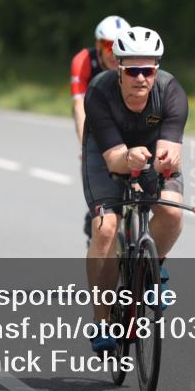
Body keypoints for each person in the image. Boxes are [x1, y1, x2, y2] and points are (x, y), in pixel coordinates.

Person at [82, 26, 188, 353]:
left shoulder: (171, 92)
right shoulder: (99, 92)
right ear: (119, 69)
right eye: (133, 71)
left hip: (153, 154)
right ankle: (102, 321)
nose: (141, 78)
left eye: (148, 70)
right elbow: (114, 159)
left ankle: (153, 267)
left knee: (171, 211)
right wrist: (129, 159)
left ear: (156, 70)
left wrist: (163, 161)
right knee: (105, 228)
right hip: (107, 155)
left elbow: (171, 147)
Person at [71, 15, 130, 243]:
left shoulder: (129, 60)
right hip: (92, 115)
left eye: (119, 46)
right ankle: (98, 207)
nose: (114, 52)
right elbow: (79, 106)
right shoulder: (84, 60)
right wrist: (84, 145)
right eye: (108, 46)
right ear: (98, 46)